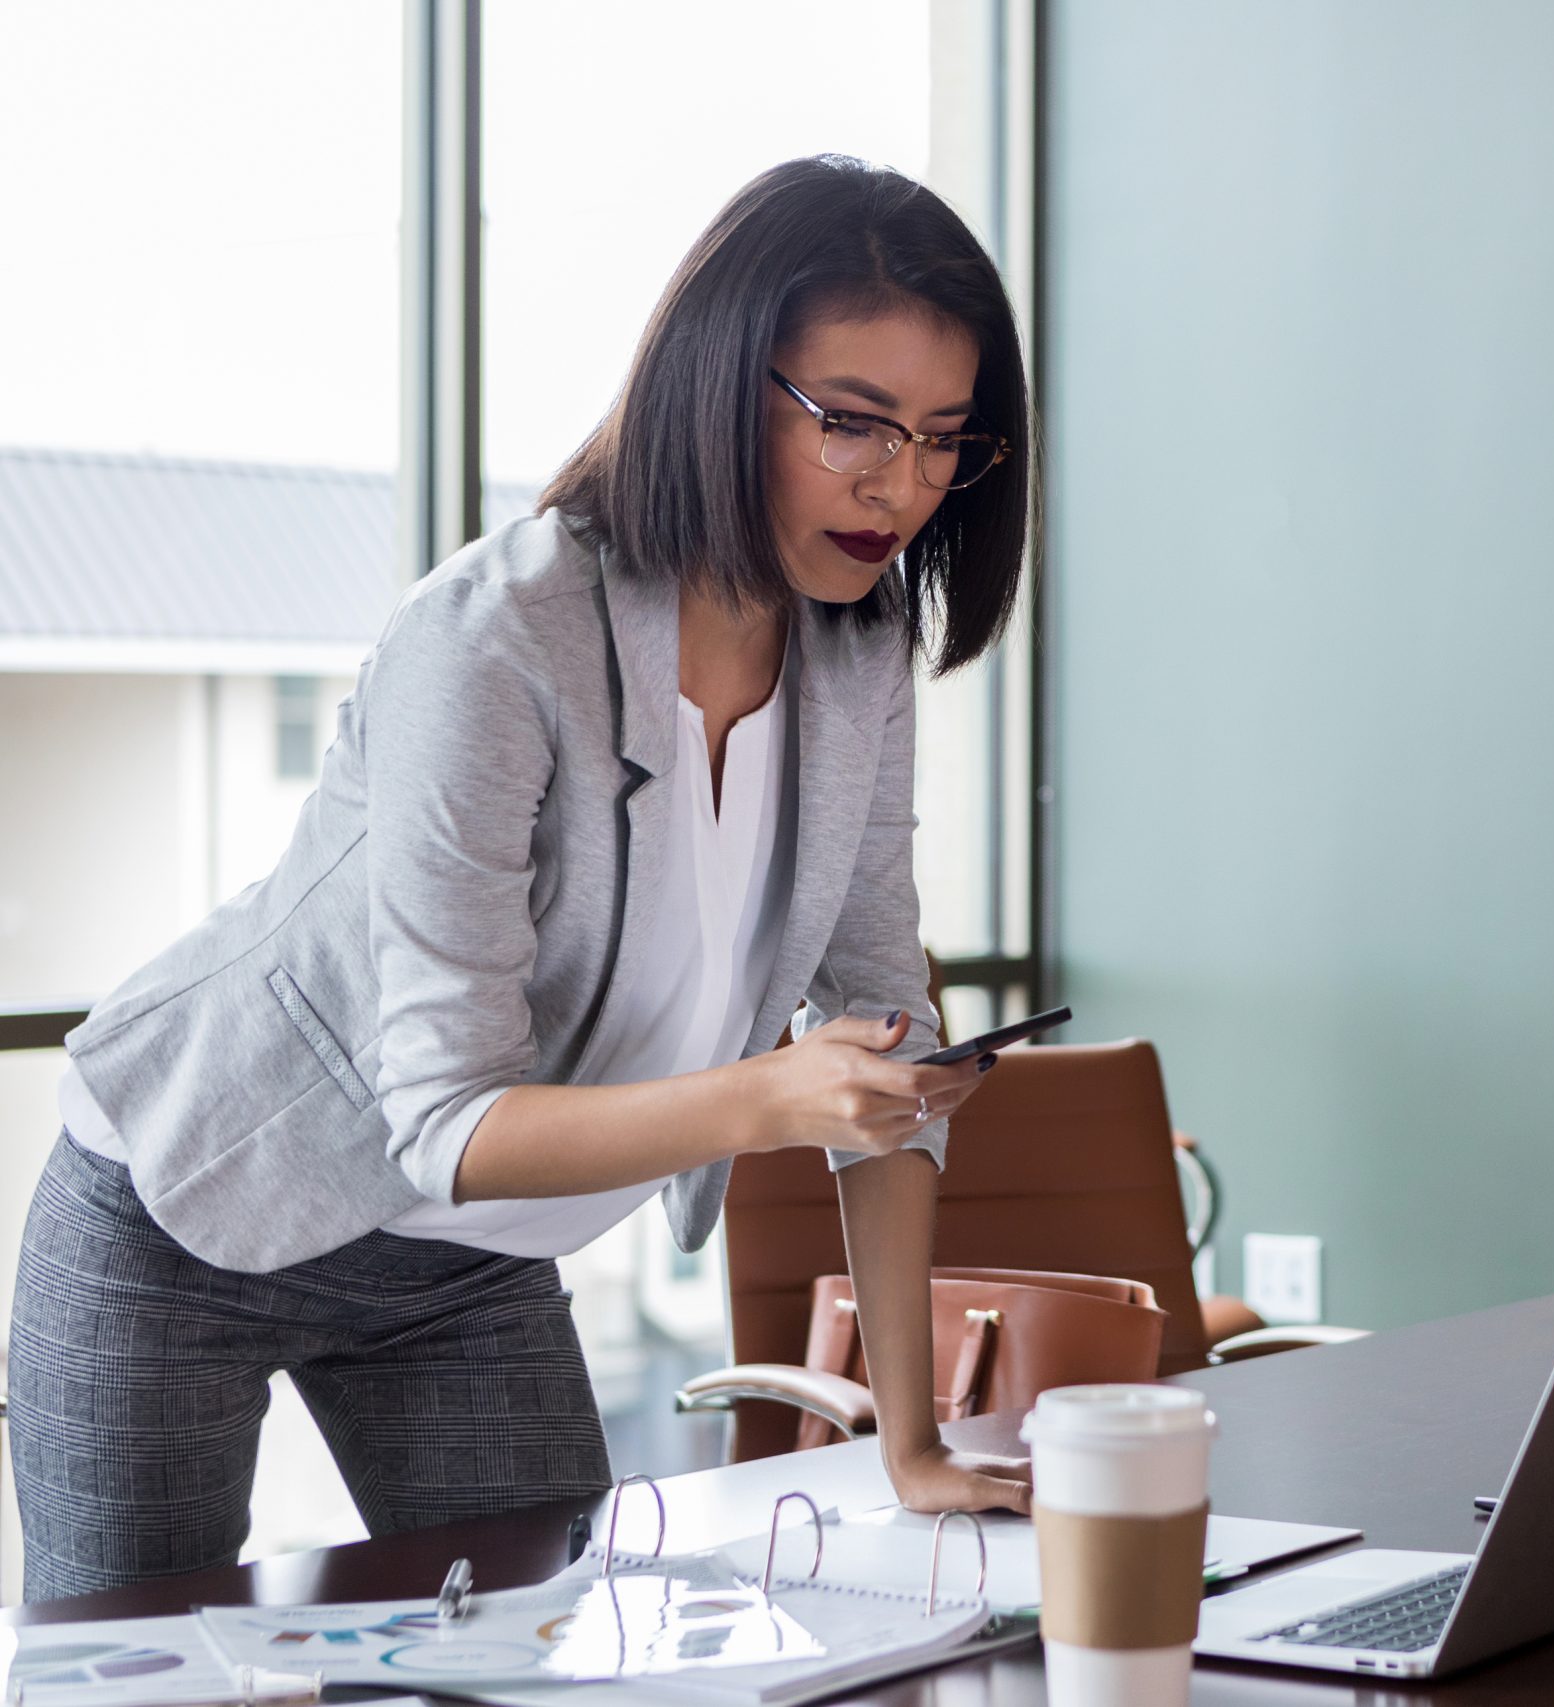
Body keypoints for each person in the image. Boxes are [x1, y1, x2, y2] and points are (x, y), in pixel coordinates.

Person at [8, 155, 1037, 1603]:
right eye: (854, 423)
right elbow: (442, 1120)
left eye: (945, 438)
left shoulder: (859, 660)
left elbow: (885, 1032)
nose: (904, 485)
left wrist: (913, 1443)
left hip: (469, 1272)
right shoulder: (495, 637)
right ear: (715, 381)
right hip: (194, 1208)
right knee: (134, 1675)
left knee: (549, 1649)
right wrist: (770, 1096)